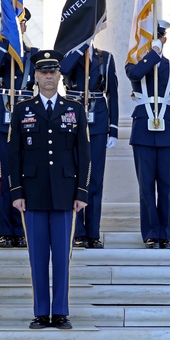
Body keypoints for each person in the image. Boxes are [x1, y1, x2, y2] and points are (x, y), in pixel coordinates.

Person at [8, 50, 91, 330]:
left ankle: (61, 312)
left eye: (52, 71)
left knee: (62, 259)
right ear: (35, 76)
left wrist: (81, 191)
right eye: (43, 72)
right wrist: (16, 191)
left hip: (66, 194)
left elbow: (84, 153)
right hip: (32, 194)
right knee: (38, 256)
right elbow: (13, 154)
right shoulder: (22, 110)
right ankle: (42, 312)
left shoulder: (75, 109)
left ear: (59, 75)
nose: (48, 76)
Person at [125, 20, 170, 249]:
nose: (157, 40)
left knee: (165, 185)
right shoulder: (134, 63)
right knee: (145, 186)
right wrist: (152, 53)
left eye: (159, 37)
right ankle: (151, 233)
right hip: (143, 130)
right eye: (151, 37)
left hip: (168, 130)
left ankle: (165, 233)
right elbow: (136, 73)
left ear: (164, 39)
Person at [0, 7, 37, 248]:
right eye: (11, 24)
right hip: (2, 118)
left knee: (25, 176)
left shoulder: (34, 55)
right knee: (4, 176)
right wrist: (6, 42)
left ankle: (23, 228)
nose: (18, 28)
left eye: (20, 24)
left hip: (26, 117)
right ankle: (6, 230)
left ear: (25, 27)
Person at [61, 45, 119, 249]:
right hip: (71, 120)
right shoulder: (68, 53)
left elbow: (112, 92)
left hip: (98, 122)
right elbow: (63, 70)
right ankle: (78, 232)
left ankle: (93, 232)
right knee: (73, 177)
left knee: (95, 179)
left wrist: (113, 127)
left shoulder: (106, 57)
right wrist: (79, 49)